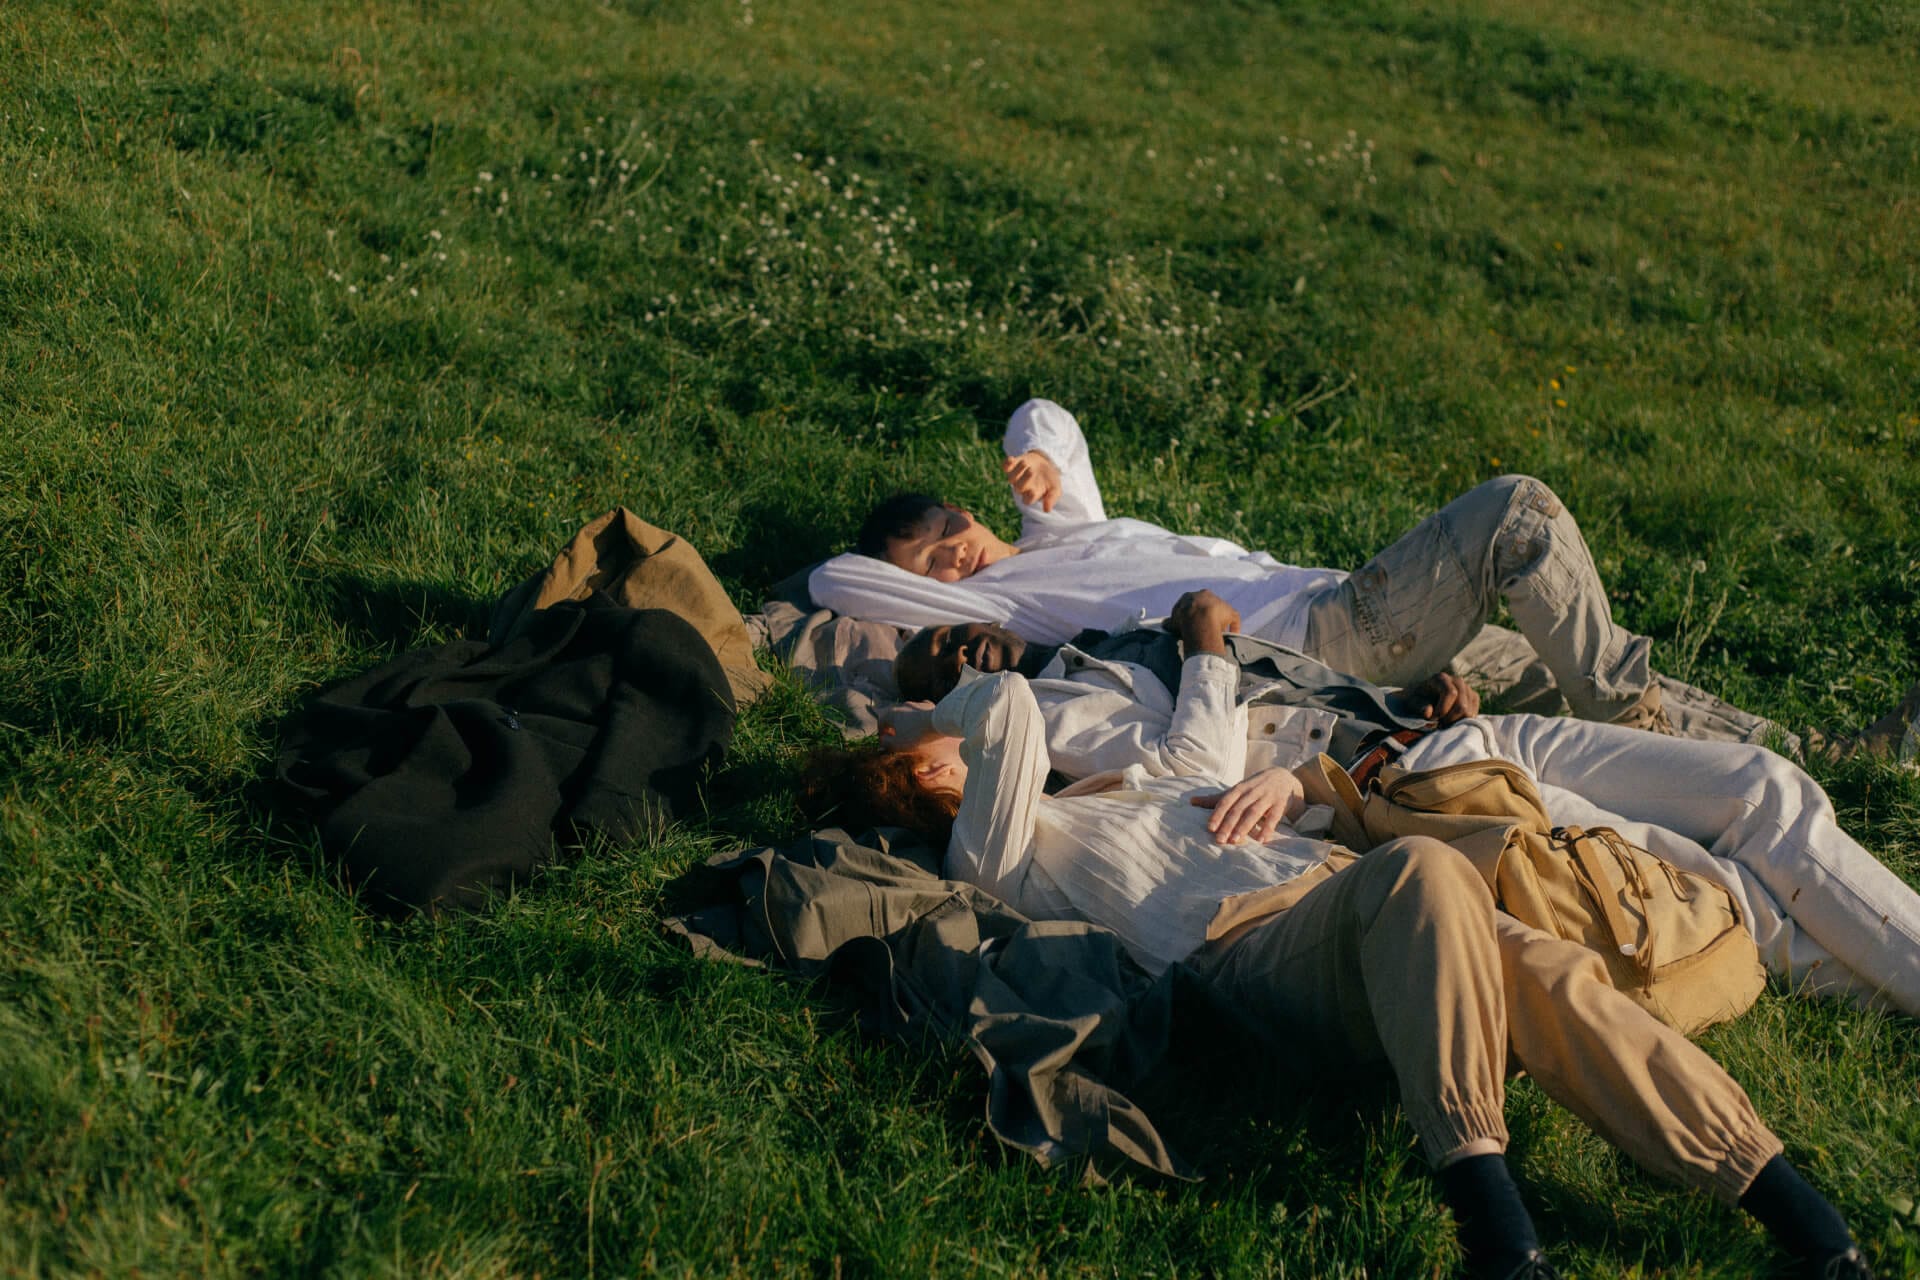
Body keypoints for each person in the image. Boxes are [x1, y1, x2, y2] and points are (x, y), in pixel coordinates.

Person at [811, 669, 1876, 1279]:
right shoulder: (995, 847)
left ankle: (1792, 1211)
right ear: (926, 782)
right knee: (1421, 870)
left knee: (1543, 966)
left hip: (1344, 898)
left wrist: (1268, 754)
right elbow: (1005, 706)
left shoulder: (1125, 784)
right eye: (930, 759)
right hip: (1245, 959)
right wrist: (930, 713)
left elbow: (1208, 732)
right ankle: (1491, 1217)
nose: (951, 751)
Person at [888, 593, 1920, 1019]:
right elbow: (1194, 759)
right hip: (1407, 790)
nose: (953, 651)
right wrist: (1204, 643)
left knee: (1758, 788)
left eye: (945, 633)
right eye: (937, 667)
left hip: (1437, 733)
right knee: (1722, 891)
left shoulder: (1091, 636)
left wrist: (1400, 697)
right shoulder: (1051, 719)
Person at [811, 397, 1733, 733]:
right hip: (1312, 641)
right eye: (933, 566)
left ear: (967, 508)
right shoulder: (1011, 605)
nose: (954, 555)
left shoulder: (1062, 528)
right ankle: (1631, 715)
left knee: (1555, 664)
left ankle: (1786, 750)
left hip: (1339, 603)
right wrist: (925, 580)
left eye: (948, 531)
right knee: (1514, 514)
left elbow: (1045, 414)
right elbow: (832, 582)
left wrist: (1039, 462)